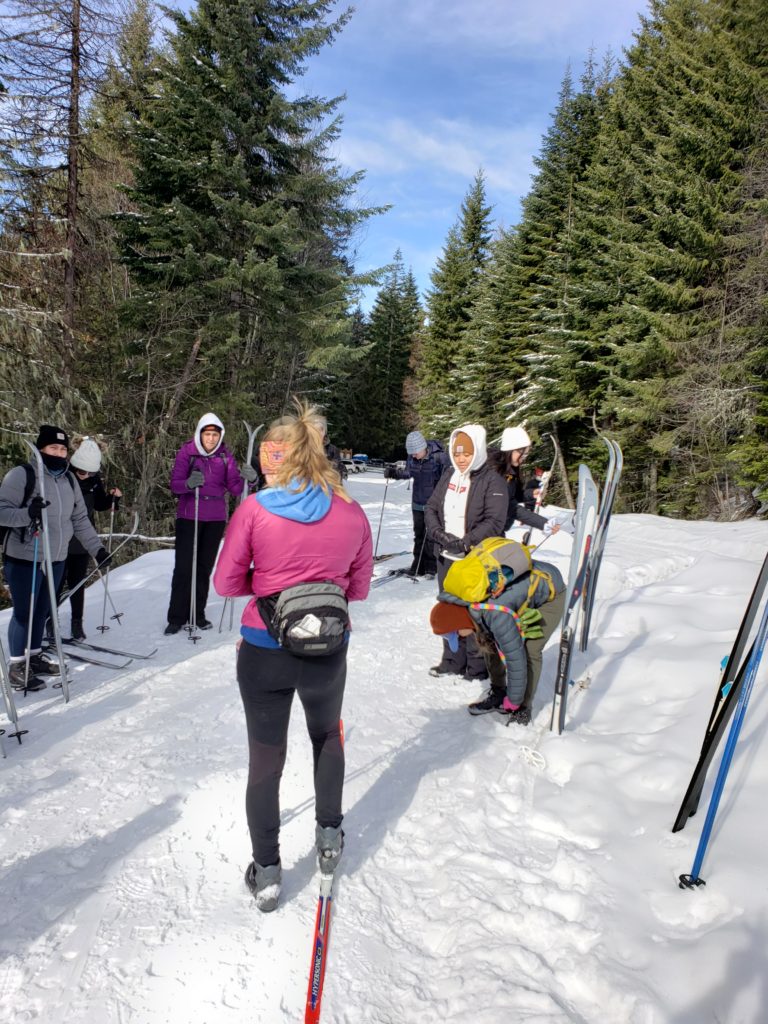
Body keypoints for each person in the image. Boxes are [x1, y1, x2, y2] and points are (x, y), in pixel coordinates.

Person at [213, 400, 372, 913]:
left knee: (267, 758)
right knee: (326, 736)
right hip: (328, 648)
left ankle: (268, 871)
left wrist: (270, 582)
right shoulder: (349, 510)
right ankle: (329, 839)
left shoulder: (256, 509)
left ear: (282, 455)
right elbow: (361, 588)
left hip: (264, 649)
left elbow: (225, 582)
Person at [0, 425, 110, 691]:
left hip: (57, 557)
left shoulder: (69, 480)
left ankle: (34, 656)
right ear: (41, 450)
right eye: (53, 448)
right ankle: (17, 665)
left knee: (43, 610)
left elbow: (80, 519)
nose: (59, 453)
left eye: (62, 449)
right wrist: (29, 513)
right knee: (25, 613)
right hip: (26, 555)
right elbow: (2, 512)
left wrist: (97, 550)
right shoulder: (22, 475)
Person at [429, 552, 566, 725]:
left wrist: (514, 701)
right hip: (519, 592)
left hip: (550, 591)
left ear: (459, 622)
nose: (458, 637)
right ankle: (499, 691)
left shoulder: (494, 613)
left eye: (455, 634)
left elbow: (515, 659)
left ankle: (523, 708)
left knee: (529, 650)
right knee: (486, 640)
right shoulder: (464, 603)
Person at [424, 424, 507, 681]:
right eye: (457, 453)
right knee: (449, 608)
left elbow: (494, 521)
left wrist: (465, 542)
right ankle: (452, 660)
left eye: (466, 454)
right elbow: (431, 508)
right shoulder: (449, 474)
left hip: (473, 559)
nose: (461, 459)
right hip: (446, 557)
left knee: (473, 612)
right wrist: (440, 536)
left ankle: (477, 665)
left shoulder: (492, 481)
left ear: (478, 451)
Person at [166, 413, 254, 635]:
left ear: (220, 435)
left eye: (215, 434)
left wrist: (249, 480)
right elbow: (175, 485)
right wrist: (188, 483)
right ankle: (176, 616)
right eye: (208, 434)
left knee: (203, 568)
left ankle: (198, 613)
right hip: (189, 515)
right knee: (184, 568)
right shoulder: (188, 453)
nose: (212, 439)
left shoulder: (225, 457)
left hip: (214, 518)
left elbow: (235, 488)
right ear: (200, 434)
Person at [60, 437, 123, 640]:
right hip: (60, 541)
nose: (86, 476)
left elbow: (99, 504)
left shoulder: (93, 480)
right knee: (56, 585)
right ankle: (49, 622)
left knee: (78, 584)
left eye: (91, 473)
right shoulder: (62, 477)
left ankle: (77, 624)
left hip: (83, 539)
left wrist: (113, 498)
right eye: (82, 472)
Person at [384, 430, 449, 577]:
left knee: (432, 535)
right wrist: (393, 473)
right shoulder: (412, 457)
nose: (413, 456)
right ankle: (418, 564)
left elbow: (447, 479)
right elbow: (408, 473)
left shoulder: (439, 457)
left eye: (415, 452)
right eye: (411, 453)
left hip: (434, 504)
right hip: (417, 503)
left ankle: (432, 566)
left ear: (423, 447)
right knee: (419, 535)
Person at [491, 426, 561, 535]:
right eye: (521, 452)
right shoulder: (495, 473)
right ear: (510, 449)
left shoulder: (511, 471)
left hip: (497, 530)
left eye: (526, 454)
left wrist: (532, 493)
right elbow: (507, 505)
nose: (524, 457)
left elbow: (515, 496)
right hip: (484, 532)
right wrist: (542, 523)